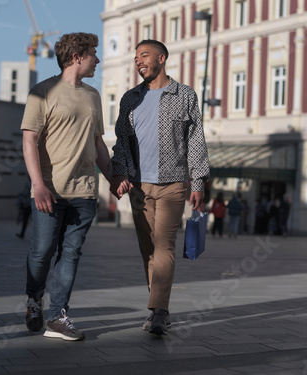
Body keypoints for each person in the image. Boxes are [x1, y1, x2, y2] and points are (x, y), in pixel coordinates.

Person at [110, 39, 210, 336]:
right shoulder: (130, 98)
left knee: (164, 246)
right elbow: (121, 141)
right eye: (136, 57)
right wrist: (120, 174)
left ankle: (159, 312)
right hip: (139, 186)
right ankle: (158, 306)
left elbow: (196, 139)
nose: (138, 61)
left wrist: (199, 179)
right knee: (148, 249)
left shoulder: (185, 95)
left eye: (144, 55)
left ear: (161, 58)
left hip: (173, 184)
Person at [21, 32, 114, 341]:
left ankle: (58, 316)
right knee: (42, 251)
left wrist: (114, 179)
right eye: (93, 54)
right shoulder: (42, 92)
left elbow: (98, 143)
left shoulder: (93, 96)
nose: (97, 60)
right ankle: (34, 301)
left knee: (71, 254)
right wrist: (38, 185)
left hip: (85, 190)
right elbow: (29, 140)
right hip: (49, 190)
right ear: (77, 57)